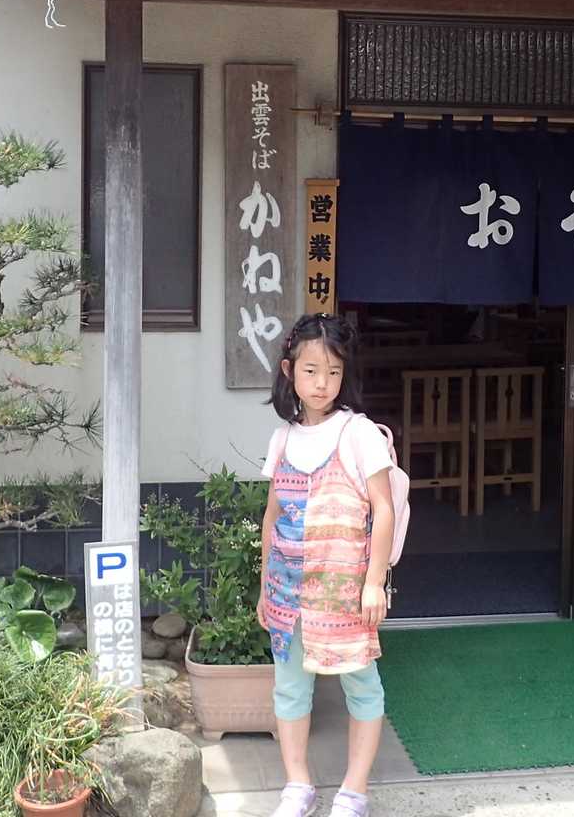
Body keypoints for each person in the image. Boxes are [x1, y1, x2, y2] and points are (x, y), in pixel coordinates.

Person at [257, 314, 396, 817]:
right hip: (287, 593)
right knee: (291, 690)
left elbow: (384, 508)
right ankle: (298, 785)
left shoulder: (360, 433)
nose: (323, 383)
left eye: (334, 372)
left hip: (345, 593)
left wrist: (374, 583)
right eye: (312, 371)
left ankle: (354, 791)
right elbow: (272, 516)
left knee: (362, 686)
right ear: (289, 370)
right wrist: (263, 587)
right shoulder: (282, 438)